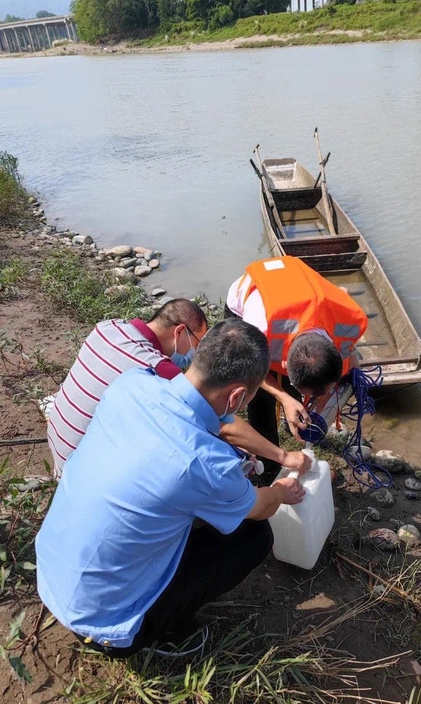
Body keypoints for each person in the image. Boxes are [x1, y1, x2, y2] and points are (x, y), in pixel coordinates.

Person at [35, 319, 305, 659]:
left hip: (50, 571)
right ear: (238, 396)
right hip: (107, 626)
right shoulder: (207, 464)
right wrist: (281, 490)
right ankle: (163, 630)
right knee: (255, 538)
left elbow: (219, 421)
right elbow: (260, 507)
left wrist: (280, 455)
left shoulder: (132, 384)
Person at [226, 256, 368, 482]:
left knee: (293, 396)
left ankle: (292, 415)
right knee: (261, 400)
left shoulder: (347, 318)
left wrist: (336, 389)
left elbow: (350, 359)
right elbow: (252, 370)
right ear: (283, 365)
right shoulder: (258, 325)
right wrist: (283, 397)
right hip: (254, 292)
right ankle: (271, 469)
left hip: (305, 291)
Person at [47, 298, 208, 477]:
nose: (195, 354)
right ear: (179, 332)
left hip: (58, 449)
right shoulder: (158, 368)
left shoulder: (107, 328)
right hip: (79, 474)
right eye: (197, 344)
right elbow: (206, 418)